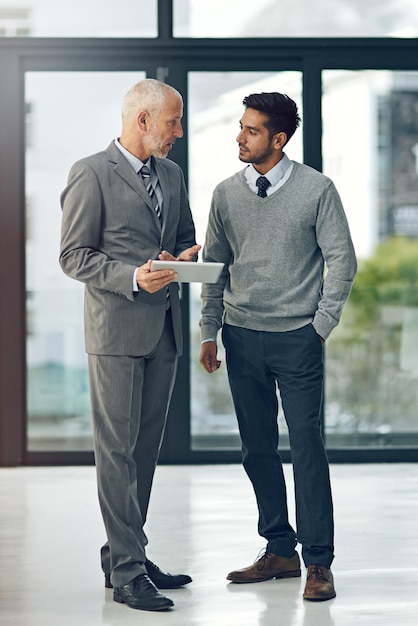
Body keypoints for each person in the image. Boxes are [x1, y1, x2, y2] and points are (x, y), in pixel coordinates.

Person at [199, 91, 357, 602]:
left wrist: (321, 325)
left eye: (250, 130)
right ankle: (279, 549)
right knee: (257, 449)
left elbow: (342, 259)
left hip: (298, 340)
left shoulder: (317, 189)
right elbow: (215, 267)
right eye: (241, 127)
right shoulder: (225, 194)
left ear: (278, 138)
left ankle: (318, 563)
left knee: (307, 448)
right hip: (242, 337)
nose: (239, 137)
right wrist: (209, 328)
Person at [60, 78, 200, 612]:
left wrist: (186, 257)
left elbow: (183, 236)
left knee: (143, 452)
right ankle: (127, 572)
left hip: (164, 330)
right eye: (173, 122)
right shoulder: (90, 173)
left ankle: (126, 551)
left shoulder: (172, 173)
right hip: (116, 331)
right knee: (116, 453)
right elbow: (73, 255)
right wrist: (131, 277)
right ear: (142, 120)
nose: (178, 132)